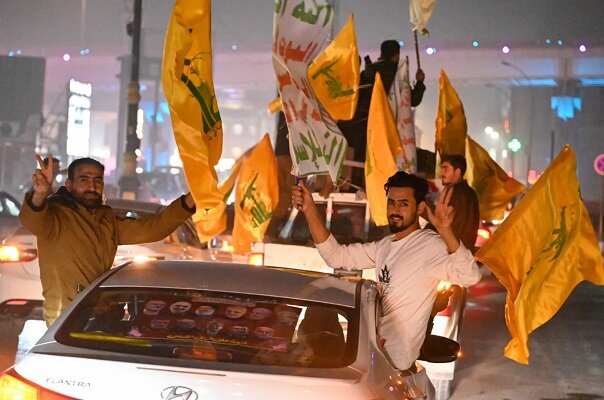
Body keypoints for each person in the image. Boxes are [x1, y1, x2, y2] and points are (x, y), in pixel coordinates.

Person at [291, 171, 481, 371]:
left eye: (403, 204)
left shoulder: (430, 246)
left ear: (420, 208)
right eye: (391, 202)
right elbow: (337, 256)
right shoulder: (385, 246)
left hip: (395, 372)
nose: (395, 210)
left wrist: (445, 231)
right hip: (370, 363)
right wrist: (310, 209)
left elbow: (470, 276)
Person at [19, 155, 197, 326]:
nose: (92, 186)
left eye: (97, 180)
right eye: (84, 179)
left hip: (101, 315)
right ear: (69, 185)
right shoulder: (56, 215)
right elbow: (31, 220)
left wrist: (191, 200)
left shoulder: (106, 219)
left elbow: (152, 229)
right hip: (66, 319)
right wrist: (40, 194)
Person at [429, 154, 480, 252]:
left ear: (457, 172)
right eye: (441, 169)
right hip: (462, 250)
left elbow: (445, 222)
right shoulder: (469, 192)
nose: (441, 173)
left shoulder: (454, 192)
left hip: (452, 250)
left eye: (446, 169)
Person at [363, 40, 426, 107]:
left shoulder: (367, 72)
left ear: (381, 53)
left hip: (369, 112)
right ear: (396, 55)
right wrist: (420, 82)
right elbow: (412, 100)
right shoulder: (396, 75)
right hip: (389, 113)